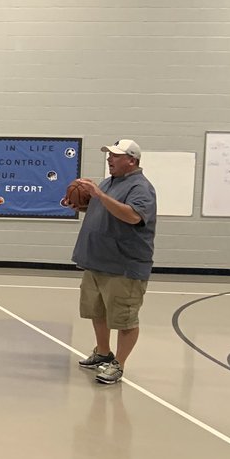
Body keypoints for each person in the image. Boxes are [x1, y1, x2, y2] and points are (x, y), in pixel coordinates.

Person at [72, 139, 157, 385]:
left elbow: (132, 216)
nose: (110, 159)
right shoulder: (109, 182)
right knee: (97, 312)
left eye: (116, 156)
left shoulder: (141, 187)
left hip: (124, 266)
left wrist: (97, 193)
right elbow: (104, 210)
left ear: (132, 160)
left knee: (124, 319)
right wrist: (81, 204)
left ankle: (118, 364)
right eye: (109, 155)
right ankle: (102, 352)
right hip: (97, 261)